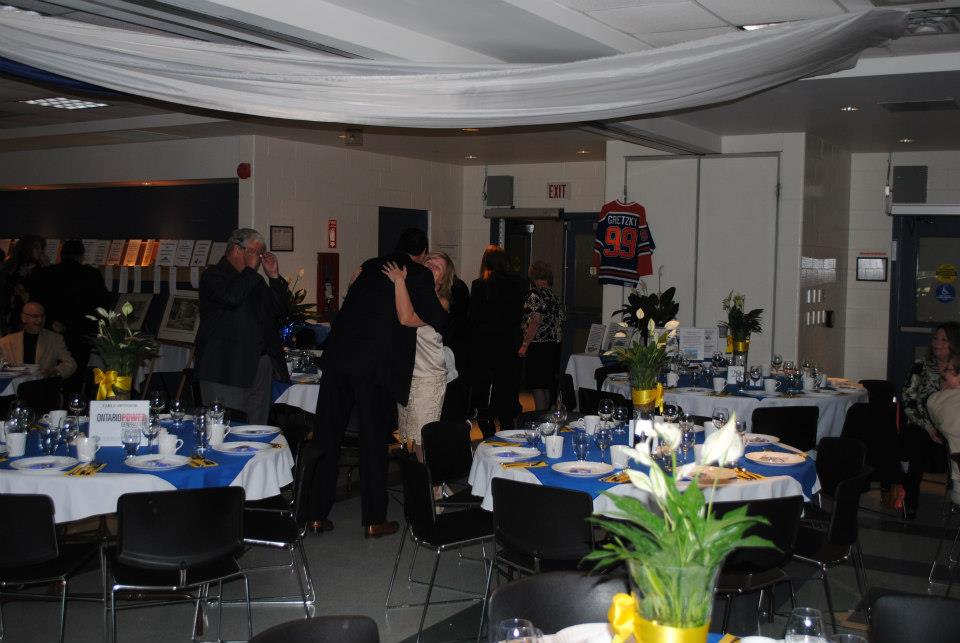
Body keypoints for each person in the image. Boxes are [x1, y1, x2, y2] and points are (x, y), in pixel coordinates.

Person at [312, 228, 446, 538]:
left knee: (326, 437)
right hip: (375, 367)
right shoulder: (418, 274)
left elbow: (349, 308)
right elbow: (436, 318)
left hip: (339, 358)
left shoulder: (369, 266)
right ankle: (374, 519)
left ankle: (315, 514)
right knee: (372, 443)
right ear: (422, 254)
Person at [196, 228, 290, 425]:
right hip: (226, 368)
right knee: (227, 428)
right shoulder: (213, 276)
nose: (259, 258)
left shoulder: (255, 280)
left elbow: (278, 311)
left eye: (261, 253)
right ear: (237, 249)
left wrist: (274, 277)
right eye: (256, 252)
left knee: (256, 427)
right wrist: (249, 271)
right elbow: (232, 298)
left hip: (259, 365)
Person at [381, 251, 455, 461]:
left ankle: (432, 482)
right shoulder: (410, 292)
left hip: (428, 378)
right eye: (429, 261)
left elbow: (406, 319)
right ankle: (417, 480)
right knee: (409, 440)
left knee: (423, 440)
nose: (431, 265)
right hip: (407, 375)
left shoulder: (441, 302)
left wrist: (399, 281)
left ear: (443, 279)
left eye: (437, 266)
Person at [27, 239, 111, 392]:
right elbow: (102, 305)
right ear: (82, 256)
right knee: (75, 376)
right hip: (80, 333)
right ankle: (73, 403)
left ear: (61, 255)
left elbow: (35, 304)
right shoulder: (91, 274)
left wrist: (50, 321)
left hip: (50, 331)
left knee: (46, 375)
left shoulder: (46, 273)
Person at [901, 321, 960, 518]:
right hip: (923, 424)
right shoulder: (921, 366)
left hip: (951, 424)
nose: (937, 343)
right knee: (915, 441)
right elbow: (909, 401)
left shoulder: (957, 367)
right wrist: (928, 427)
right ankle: (910, 501)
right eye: (935, 339)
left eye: (944, 340)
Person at [469, 245, 527, 430]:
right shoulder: (520, 282)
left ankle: (488, 429)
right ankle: (507, 425)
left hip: (487, 342)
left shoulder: (480, 284)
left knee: (487, 389)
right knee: (508, 387)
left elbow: (474, 317)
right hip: (510, 340)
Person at [519, 261, 565, 411]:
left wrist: (524, 345)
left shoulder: (534, 294)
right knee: (546, 385)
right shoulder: (553, 296)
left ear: (533, 276)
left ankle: (539, 417)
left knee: (537, 385)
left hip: (537, 345)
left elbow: (535, 321)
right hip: (553, 346)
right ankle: (546, 417)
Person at [0, 301, 76, 379]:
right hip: (15, 385)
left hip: (42, 385)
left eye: (42, 316)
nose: (40, 320)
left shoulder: (55, 339)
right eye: (35, 316)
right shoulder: (6, 342)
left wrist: (54, 372)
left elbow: (71, 364)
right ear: (23, 318)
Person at [928, 357, 960, 505]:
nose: (944, 374)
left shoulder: (937, 400)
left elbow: (938, 422)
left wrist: (944, 392)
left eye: (948, 370)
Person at [2, 236, 47, 332]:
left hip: (16, 310)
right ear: (27, 248)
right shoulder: (34, 268)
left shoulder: (11, 264)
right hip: (21, 310)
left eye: (41, 248)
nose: (40, 251)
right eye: (37, 248)